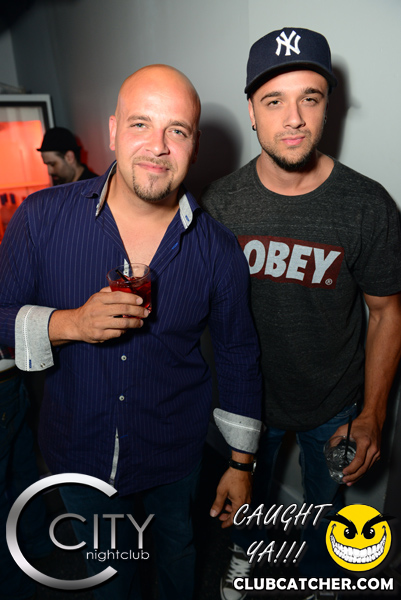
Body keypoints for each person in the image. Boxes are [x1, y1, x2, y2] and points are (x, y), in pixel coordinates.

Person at [0, 64, 262, 600]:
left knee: (177, 554)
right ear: (114, 130)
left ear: (194, 145)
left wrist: (240, 464)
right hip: (78, 450)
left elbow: (238, 354)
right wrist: (69, 323)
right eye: (141, 124)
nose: (158, 146)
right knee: (110, 575)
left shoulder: (218, 249)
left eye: (177, 130)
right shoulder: (41, 217)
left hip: (174, 453)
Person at [201, 27, 401, 600]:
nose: (293, 119)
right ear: (251, 112)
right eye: (274, 101)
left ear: (327, 106)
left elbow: (387, 312)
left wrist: (373, 415)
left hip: (332, 403)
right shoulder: (220, 205)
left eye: (309, 98)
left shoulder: (367, 206)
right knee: (246, 502)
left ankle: (318, 577)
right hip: (247, 406)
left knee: (322, 509)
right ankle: (244, 558)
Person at [0, 345, 52, 600]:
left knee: (20, 468)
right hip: (12, 371)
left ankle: (14, 589)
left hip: (11, 375)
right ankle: (39, 544)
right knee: (22, 467)